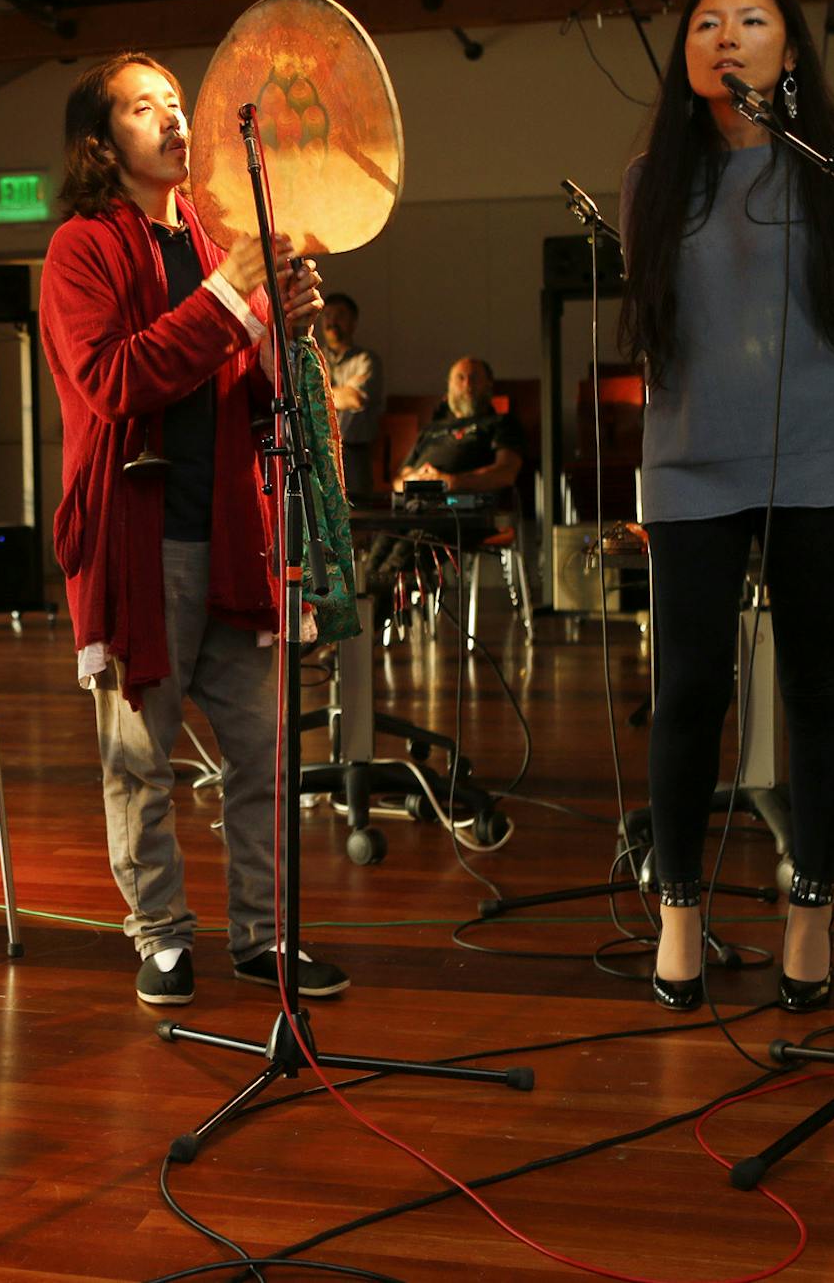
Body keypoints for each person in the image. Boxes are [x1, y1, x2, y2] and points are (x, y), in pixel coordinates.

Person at [38, 51, 345, 1008]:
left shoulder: (216, 242)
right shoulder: (80, 250)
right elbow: (114, 381)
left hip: (233, 534)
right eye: (145, 109)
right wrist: (229, 300)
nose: (174, 122)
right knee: (141, 760)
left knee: (266, 754)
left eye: (177, 105)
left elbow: (252, 398)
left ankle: (264, 936)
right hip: (143, 540)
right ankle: (163, 936)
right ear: (102, 142)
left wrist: (283, 330)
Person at [619, 0, 834, 1016]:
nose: (726, 38)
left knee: (822, 684)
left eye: (751, 21)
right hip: (690, 463)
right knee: (689, 691)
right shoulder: (655, 178)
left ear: (791, 49)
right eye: (705, 24)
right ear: (686, 56)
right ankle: (680, 908)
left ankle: (811, 908)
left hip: (819, 461)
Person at [390, 356, 524, 497]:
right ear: (449, 385)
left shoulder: (502, 423)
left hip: (462, 505)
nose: (467, 384)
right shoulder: (430, 429)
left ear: (489, 384)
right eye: (460, 378)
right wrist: (415, 480)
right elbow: (399, 479)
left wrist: (451, 482)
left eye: (474, 378)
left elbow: (505, 473)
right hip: (415, 504)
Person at [318, 293, 382, 496]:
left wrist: (316, 393)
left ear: (354, 322)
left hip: (354, 455)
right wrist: (340, 394)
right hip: (318, 453)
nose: (332, 321)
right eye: (327, 315)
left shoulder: (366, 360)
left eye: (340, 315)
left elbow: (354, 398)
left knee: (357, 518)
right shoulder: (313, 357)